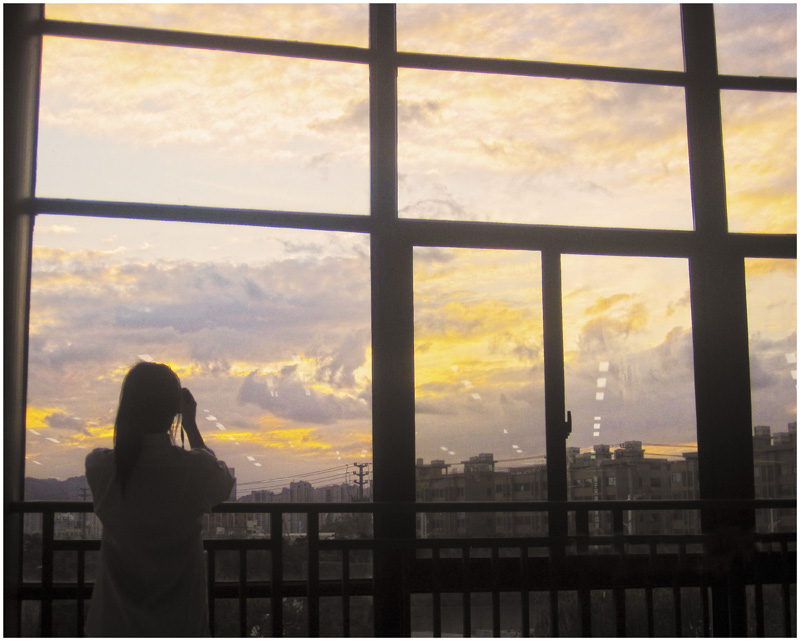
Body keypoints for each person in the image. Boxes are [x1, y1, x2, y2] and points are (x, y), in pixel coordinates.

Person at [84, 362, 234, 637]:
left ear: (127, 406)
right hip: (180, 624)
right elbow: (223, 484)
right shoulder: (193, 470)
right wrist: (191, 426)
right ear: (175, 409)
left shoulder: (101, 468)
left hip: (113, 624)